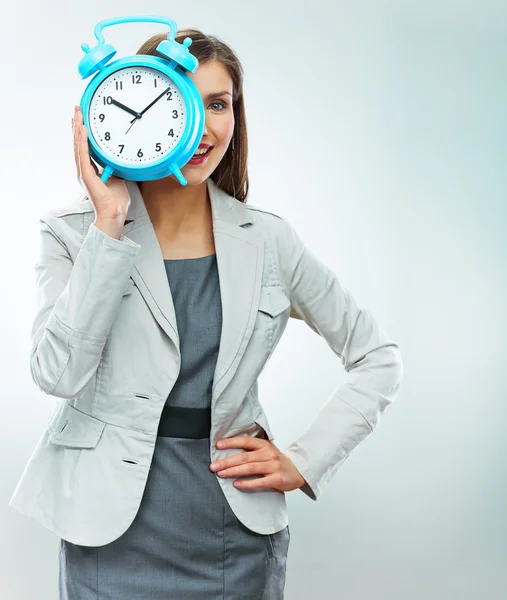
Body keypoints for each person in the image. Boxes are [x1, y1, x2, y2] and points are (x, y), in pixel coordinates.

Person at [9, 28, 404, 600]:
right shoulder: (72, 233)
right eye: (184, 100)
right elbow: (57, 375)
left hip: (231, 530)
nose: (202, 124)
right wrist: (109, 225)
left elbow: (377, 358)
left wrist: (305, 460)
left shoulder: (268, 240)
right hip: (106, 528)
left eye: (219, 104)